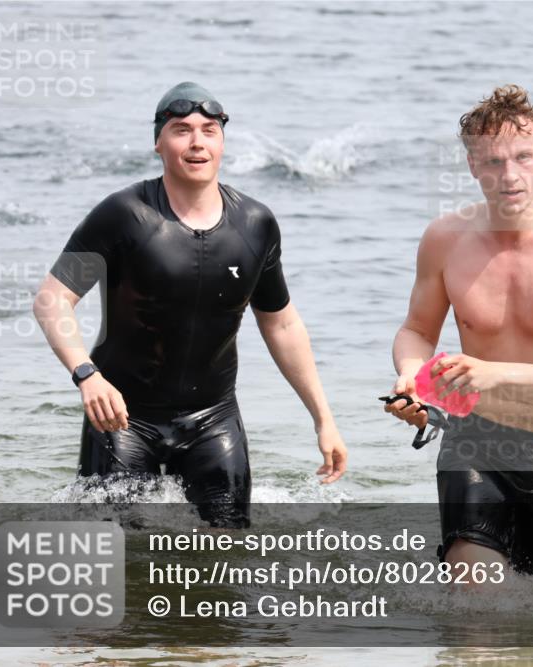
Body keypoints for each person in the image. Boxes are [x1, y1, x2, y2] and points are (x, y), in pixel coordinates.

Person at [33, 82, 347, 528]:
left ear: (222, 142)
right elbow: (52, 300)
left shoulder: (256, 225)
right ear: (158, 143)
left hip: (214, 420)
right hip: (123, 419)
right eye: (181, 130)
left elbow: (281, 325)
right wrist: (87, 375)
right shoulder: (122, 214)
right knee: (121, 559)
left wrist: (324, 419)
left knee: (228, 557)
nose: (197, 142)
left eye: (209, 130)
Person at [384, 84, 533, 589]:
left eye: (522, 157)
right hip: (479, 438)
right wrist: (411, 376)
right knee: (481, 602)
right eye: (492, 162)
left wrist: (492, 373)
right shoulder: (444, 240)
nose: (509, 176)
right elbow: (417, 331)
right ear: (472, 165)